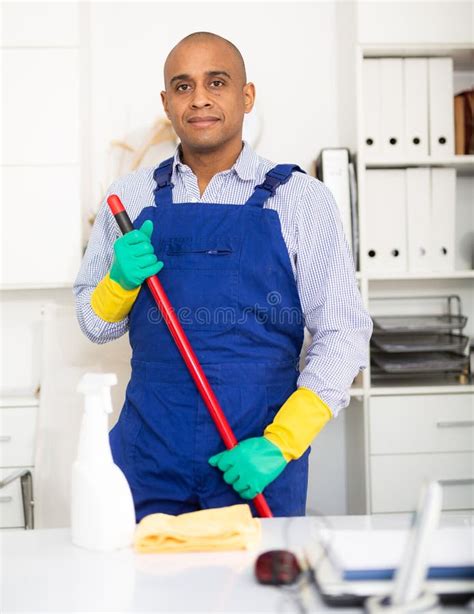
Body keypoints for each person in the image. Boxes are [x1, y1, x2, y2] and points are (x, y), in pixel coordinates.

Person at [74, 31, 372, 520]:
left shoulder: (302, 199)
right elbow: (94, 324)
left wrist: (280, 444)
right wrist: (118, 283)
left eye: (217, 82)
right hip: (148, 456)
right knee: (143, 595)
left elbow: (343, 333)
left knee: (255, 596)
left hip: (255, 457)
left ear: (246, 95)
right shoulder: (129, 198)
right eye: (183, 86)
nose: (201, 99)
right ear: (167, 103)